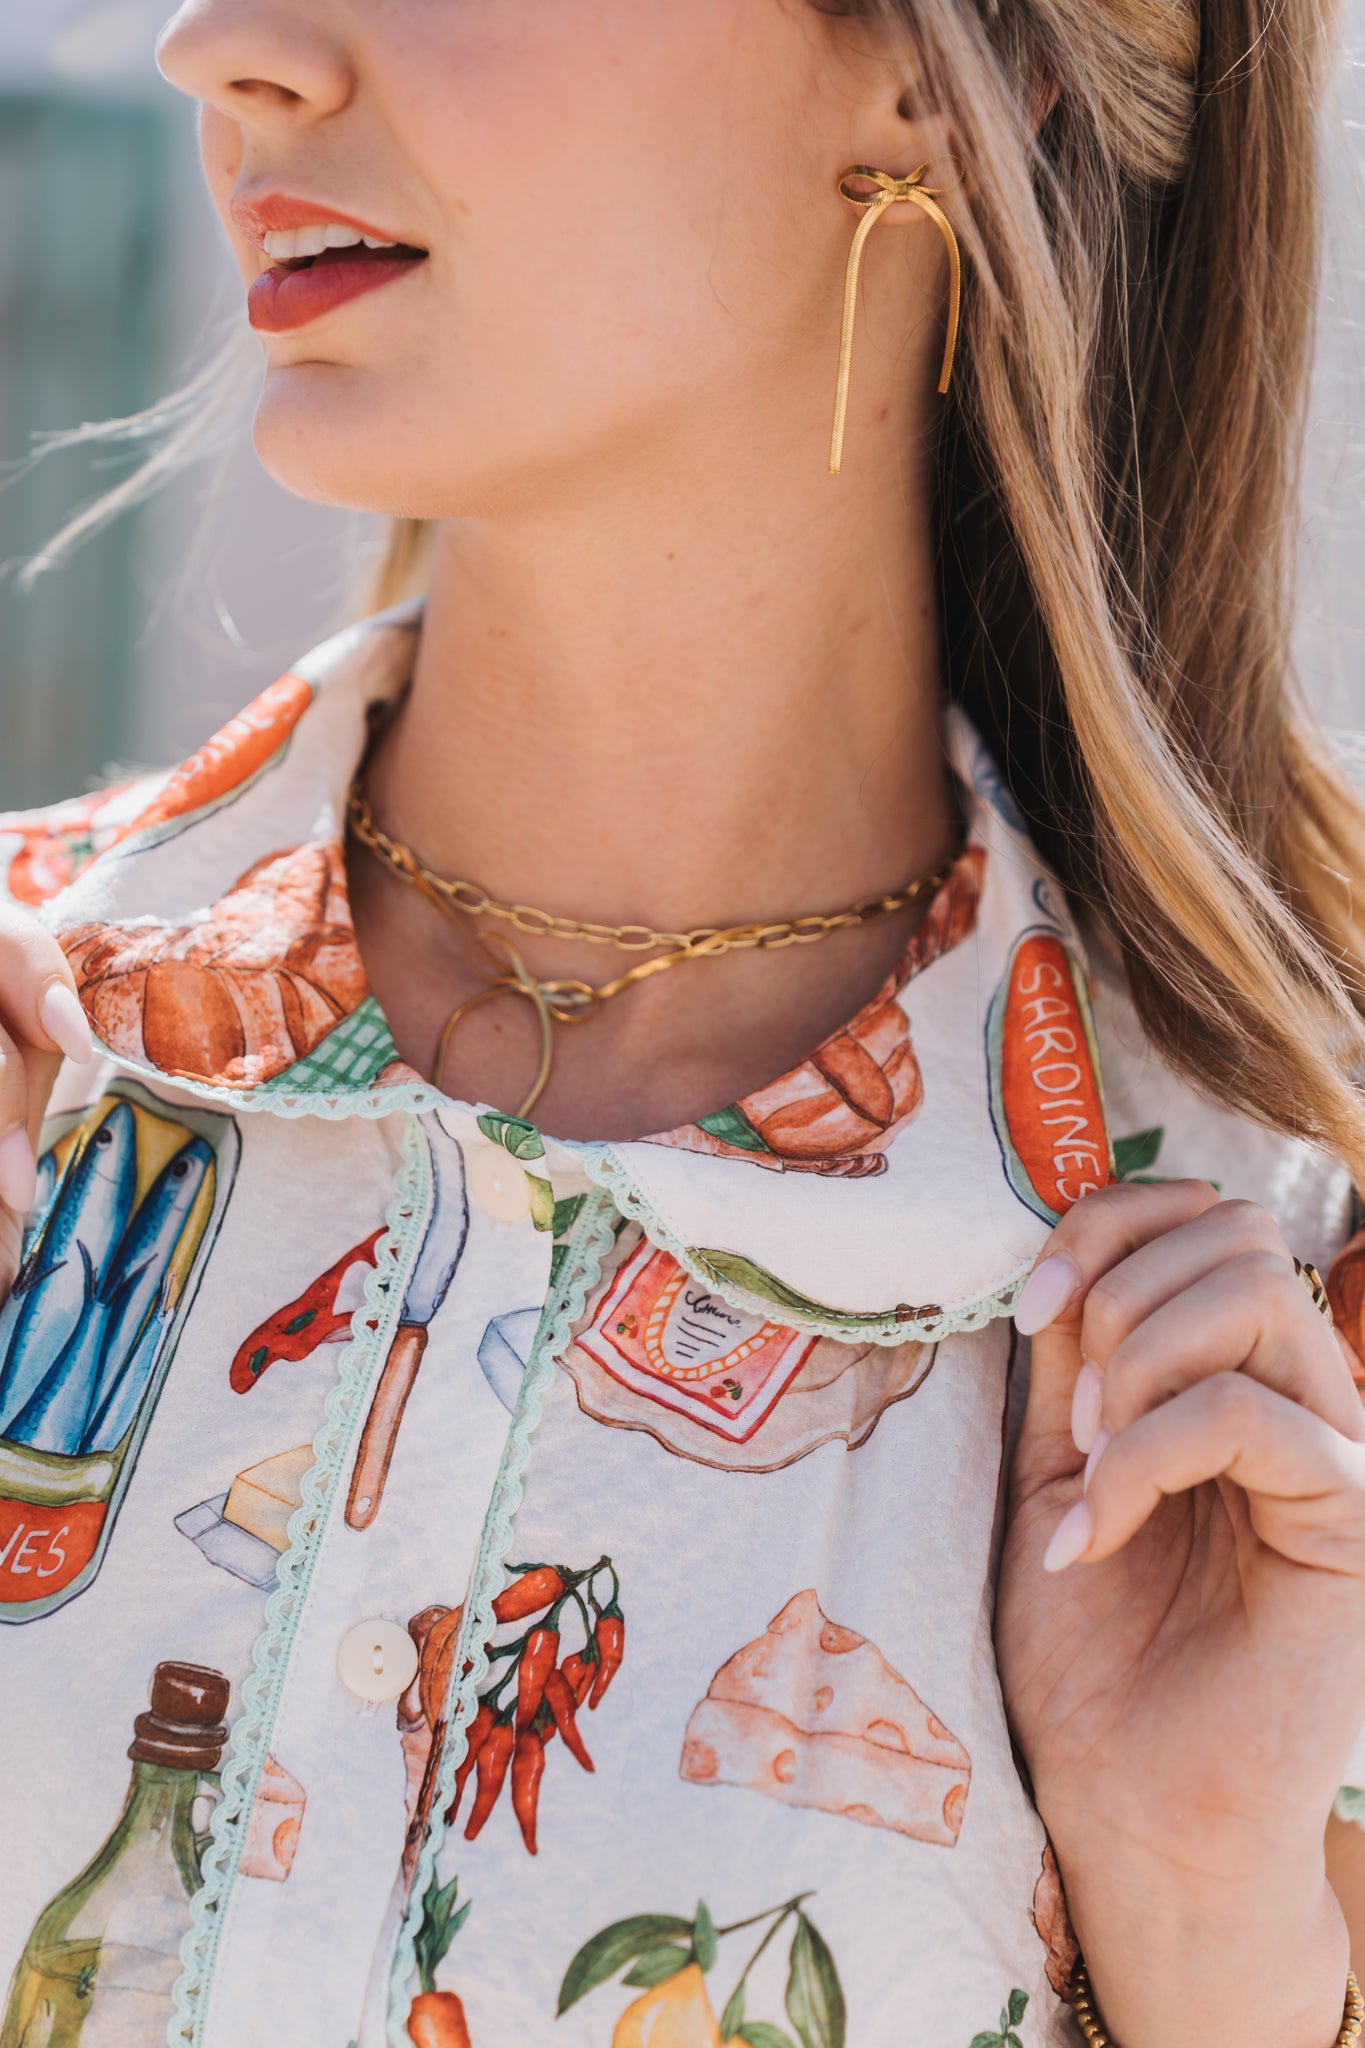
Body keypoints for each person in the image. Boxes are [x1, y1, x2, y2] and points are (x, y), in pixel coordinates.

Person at [2, 1, 1365, 2043]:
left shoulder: (1290, 1324)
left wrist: (1202, 1910)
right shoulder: (43, 1059)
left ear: (939, 60)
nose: (227, 49)